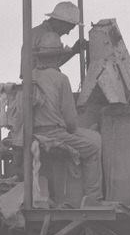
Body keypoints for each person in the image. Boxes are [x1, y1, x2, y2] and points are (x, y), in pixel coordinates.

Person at [30, 30, 103, 205]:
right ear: (57, 57)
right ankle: (93, 198)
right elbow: (70, 123)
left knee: (86, 137)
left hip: (32, 133)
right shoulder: (61, 79)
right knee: (93, 148)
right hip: (53, 133)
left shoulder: (30, 76)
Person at [20, 0, 86, 76]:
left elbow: (51, 64)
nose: (67, 33)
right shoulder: (45, 37)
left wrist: (73, 50)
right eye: (68, 28)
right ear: (61, 22)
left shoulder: (38, 33)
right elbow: (48, 67)